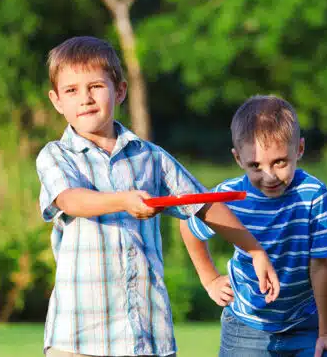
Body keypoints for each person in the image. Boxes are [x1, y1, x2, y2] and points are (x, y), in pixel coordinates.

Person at [35, 36, 281, 357]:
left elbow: (204, 205)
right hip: (79, 338)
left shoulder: (151, 157)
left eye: (95, 86)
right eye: (72, 90)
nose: (85, 98)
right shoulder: (56, 155)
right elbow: (71, 201)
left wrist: (255, 250)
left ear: (119, 91)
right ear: (56, 101)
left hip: (145, 336)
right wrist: (123, 201)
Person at [180, 95, 327, 357]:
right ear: (238, 158)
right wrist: (210, 279)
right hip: (246, 327)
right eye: (255, 166)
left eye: (280, 162)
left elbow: (321, 267)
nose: (269, 176)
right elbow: (190, 225)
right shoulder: (229, 198)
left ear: (299, 149)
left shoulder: (313, 194)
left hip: (305, 323)